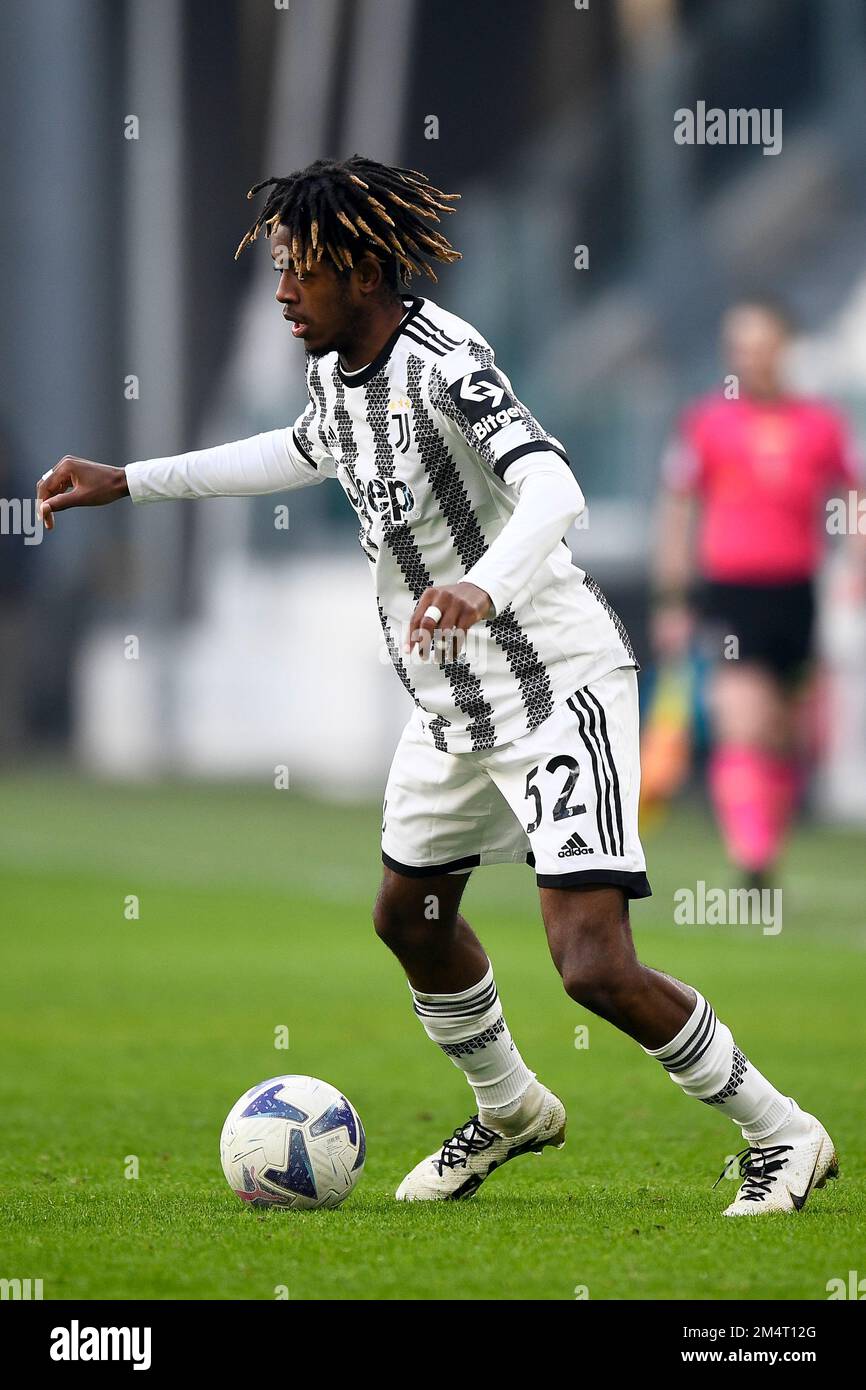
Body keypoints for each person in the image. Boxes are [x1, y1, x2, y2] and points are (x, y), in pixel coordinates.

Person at [37, 158, 837, 1214]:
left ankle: (782, 1134)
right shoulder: (333, 368)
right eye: (278, 269)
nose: (282, 293)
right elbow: (295, 450)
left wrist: (482, 585)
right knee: (408, 919)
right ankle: (509, 1108)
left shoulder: (447, 363)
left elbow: (552, 483)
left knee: (590, 964)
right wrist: (132, 480)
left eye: (299, 273)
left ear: (362, 268)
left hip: (554, 685)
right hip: (451, 708)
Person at [653, 297, 865, 887]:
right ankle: (751, 857)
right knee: (740, 718)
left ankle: (764, 848)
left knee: (783, 733)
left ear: (783, 349)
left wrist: (856, 563)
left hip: (796, 594)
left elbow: (855, 494)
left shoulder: (821, 425)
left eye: (758, 344)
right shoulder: (707, 423)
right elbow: (677, 509)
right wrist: (673, 598)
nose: (747, 356)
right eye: (738, 346)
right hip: (732, 592)